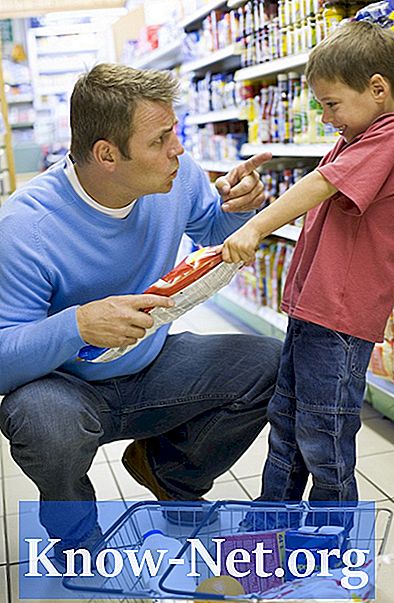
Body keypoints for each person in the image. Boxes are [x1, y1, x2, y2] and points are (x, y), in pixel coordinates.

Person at [0, 63, 282, 558]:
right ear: (107, 154)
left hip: (152, 369)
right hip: (66, 388)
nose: (177, 149)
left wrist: (236, 213)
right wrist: (78, 324)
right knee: (42, 422)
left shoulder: (178, 177)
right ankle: (77, 536)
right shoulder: (25, 229)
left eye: (174, 132)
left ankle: (171, 473)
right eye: (159, 140)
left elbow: (212, 235)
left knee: (272, 364)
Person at [223, 21, 394, 508]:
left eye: (331, 103)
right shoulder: (358, 135)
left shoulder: (392, 136)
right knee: (286, 423)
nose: (325, 118)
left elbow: (321, 184)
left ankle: (337, 544)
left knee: (325, 441)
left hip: (341, 320)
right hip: (313, 310)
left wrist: (256, 226)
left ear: (378, 89)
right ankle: (269, 527)